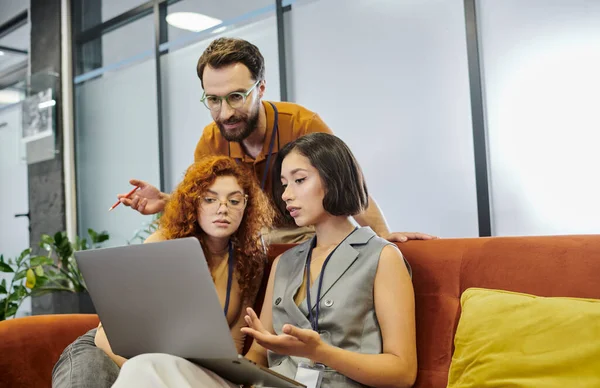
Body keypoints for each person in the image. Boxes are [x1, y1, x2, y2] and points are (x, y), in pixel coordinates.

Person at [101, 132, 417, 388]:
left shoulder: (381, 257)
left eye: (299, 180)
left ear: (334, 180)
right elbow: (257, 356)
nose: (286, 195)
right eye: (283, 184)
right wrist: (228, 366)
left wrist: (320, 352)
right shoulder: (285, 262)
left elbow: (403, 373)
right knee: (149, 366)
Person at [117, 37, 435, 244]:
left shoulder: (303, 124)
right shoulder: (211, 139)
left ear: (262, 89)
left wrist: (382, 237)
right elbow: (207, 201)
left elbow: (349, 189)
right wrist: (166, 200)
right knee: (157, 240)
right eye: (213, 100)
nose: (225, 113)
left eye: (236, 97)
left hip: (305, 231)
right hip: (250, 233)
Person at [52, 156, 275, 388]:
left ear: (246, 206)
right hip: (107, 349)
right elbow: (108, 334)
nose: (223, 208)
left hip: (172, 367)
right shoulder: (163, 242)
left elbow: (233, 342)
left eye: (234, 201)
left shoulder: (248, 262)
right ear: (193, 203)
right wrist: (151, 374)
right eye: (210, 199)